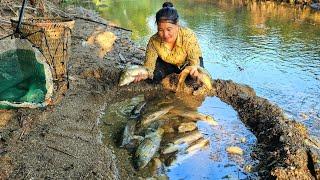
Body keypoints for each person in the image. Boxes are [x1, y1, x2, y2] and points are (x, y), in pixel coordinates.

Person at [134, 2, 204, 83]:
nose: (165, 35)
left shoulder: (188, 36)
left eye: (169, 29)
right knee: (153, 78)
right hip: (168, 64)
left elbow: (194, 62)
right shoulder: (153, 41)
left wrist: (194, 71)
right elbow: (149, 67)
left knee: (196, 80)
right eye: (160, 30)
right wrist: (145, 74)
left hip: (187, 64)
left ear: (177, 24)